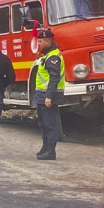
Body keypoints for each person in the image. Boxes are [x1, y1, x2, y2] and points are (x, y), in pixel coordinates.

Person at [33, 29, 65, 160]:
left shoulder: (53, 57)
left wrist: (49, 97)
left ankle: (51, 151)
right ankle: (45, 148)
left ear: (47, 41)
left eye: (40, 41)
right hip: (42, 95)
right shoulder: (46, 55)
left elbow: (54, 78)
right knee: (43, 123)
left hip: (48, 95)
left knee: (50, 124)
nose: (39, 44)